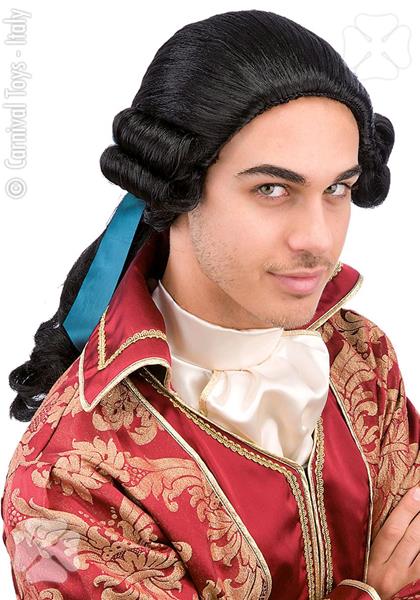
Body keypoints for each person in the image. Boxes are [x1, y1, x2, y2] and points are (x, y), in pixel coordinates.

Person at [1, 9, 418, 600]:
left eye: (336, 189)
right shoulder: (72, 471)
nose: (319, 239)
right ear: (178, 188)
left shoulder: (358, 353)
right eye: (272, 189)